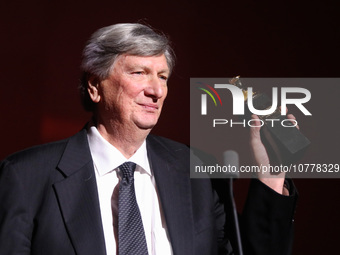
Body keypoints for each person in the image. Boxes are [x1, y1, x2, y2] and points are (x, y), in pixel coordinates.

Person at [0, 23, 297, 255]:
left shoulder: (198, 171)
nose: (156, 90)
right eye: (140, 72)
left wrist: (271, 177)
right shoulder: (26, 175)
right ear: (94, 86)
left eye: (163, 76)